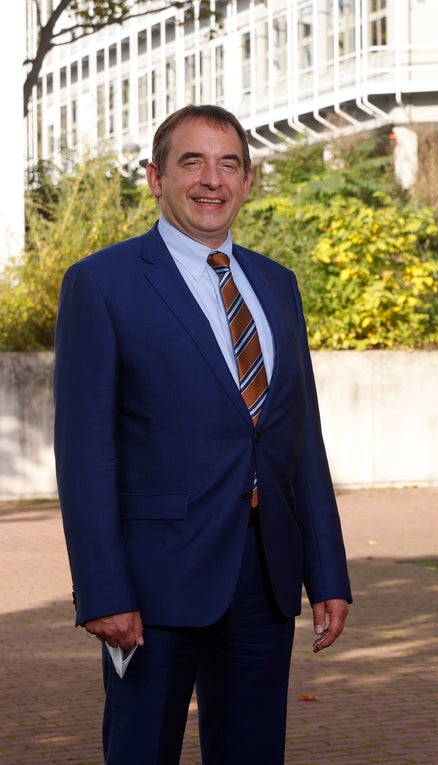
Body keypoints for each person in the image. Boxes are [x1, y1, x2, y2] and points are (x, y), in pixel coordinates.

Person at [53, 104, 352, 765]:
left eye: (229, 164)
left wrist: (327, 571)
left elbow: (300, 440)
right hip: (153, 584)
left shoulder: (278, 285)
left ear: (248, 180)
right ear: (156, 177)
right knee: (140, 752)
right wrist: (103, 588)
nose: (212, 179)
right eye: (193, 161)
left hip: (264, 578)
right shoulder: (102, 284)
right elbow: (85, 452)